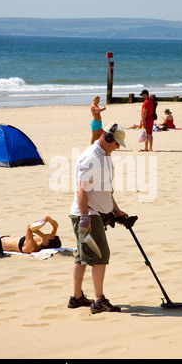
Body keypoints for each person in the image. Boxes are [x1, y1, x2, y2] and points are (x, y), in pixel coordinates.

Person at [69, 123, 128, 314]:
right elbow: (81, 190)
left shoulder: (106, 155)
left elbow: (105, 189)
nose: (117, 147)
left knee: (82, 256)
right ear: (108, 139)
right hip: (87, 214)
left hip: (95, 212)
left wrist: (115, 210)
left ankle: (76, 297)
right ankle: (98, 300)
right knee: (101, 255)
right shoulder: (91, 158)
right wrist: (85, 218)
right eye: (116, 143)